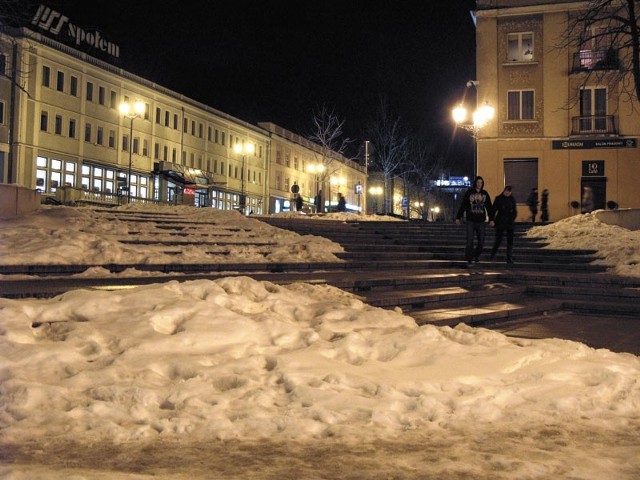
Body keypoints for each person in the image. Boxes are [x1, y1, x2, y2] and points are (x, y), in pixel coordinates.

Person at [455, 176, 494, 264]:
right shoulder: (469, 192)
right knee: (470, 240)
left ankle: (476, 255)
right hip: (471, 220)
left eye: (481, 182)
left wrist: (492, 219)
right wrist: (458, 217)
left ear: (482, 184)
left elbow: (489, 207)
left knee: (481, 241)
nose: (479, 184)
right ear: (475, 183)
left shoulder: (485, 193)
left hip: (481, 221)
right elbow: (464, 205)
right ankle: (469, 258)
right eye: (478, 182)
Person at [490, 185, 517, 264]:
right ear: (504, 191)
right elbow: (493, 210)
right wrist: (492, 220)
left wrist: (513, 217)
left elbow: (515, 210)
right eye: (507, 192)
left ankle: (509, 257)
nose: (508, 193)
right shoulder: (498, 198)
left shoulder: (512, 199)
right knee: (498, 240)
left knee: (510, 241)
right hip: (500, 222)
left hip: (509, 222)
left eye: (509, 192)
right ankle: (492, 255)